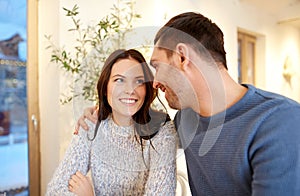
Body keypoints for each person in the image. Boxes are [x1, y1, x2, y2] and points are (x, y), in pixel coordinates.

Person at [77, 12, 300, 195]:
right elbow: (140, 135)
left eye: (158, 66)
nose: (154, 83)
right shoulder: (185, 119)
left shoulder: (280, 122)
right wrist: (101, 113)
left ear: (182, 57)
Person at [46, 49, 178, 195]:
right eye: (119, 80)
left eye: (139, 81)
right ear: (105, 88)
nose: (130, 90)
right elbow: (56, 190)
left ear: (146, 89)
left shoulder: (162, 130)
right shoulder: (91, 125)